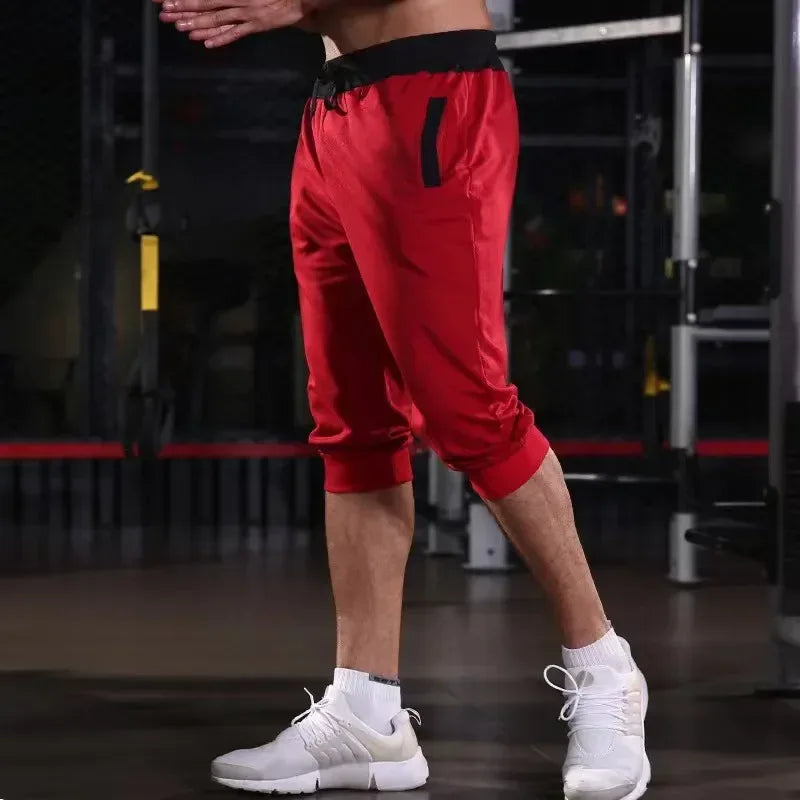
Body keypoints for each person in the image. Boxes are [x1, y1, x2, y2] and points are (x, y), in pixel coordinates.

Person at [155, 1, 651, 798]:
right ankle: (366, 713)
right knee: (352, 423)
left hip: (432, 92)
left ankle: (605, 671)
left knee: (467, 411)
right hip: (337, 104)